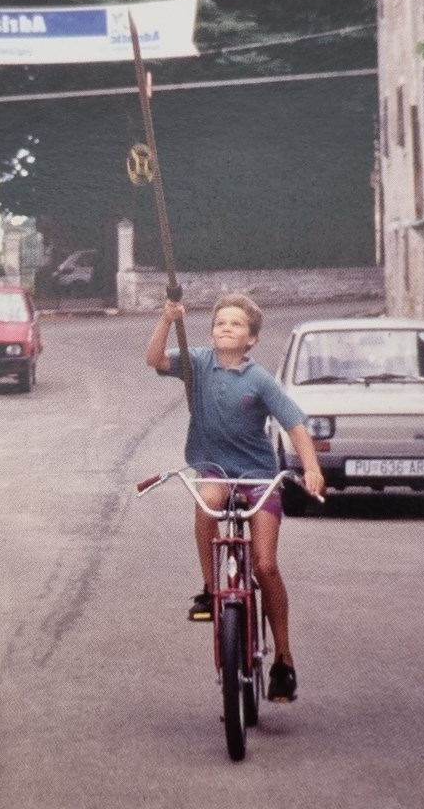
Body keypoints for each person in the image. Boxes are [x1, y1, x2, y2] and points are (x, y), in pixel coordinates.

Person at [145, 293, 326, 703]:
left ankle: (283, 659)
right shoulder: (198, 362)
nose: (226, 328)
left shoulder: (259, 379)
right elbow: (154, 359)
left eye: (236, 324)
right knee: (205, 502)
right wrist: (167, 320)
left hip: (260, 476)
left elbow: (294, 423)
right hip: (217, 468)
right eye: (220, 322)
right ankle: (211, 590)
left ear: (252, 339)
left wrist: (311, 467)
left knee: (265, 564)